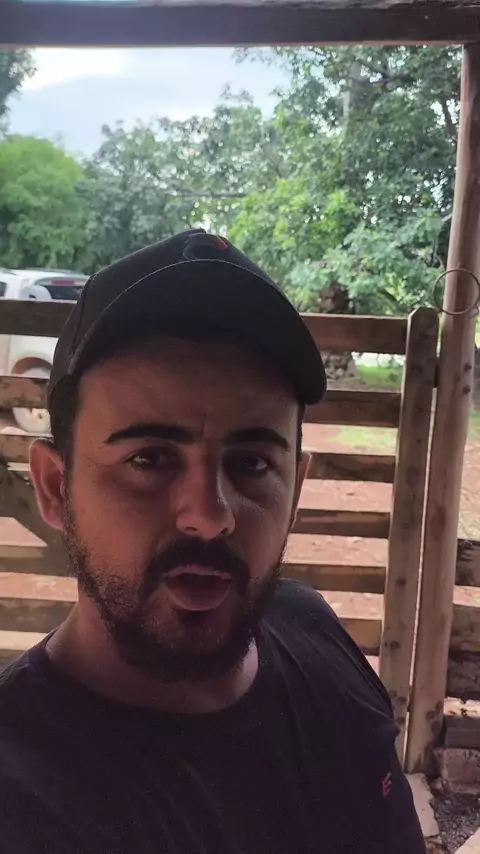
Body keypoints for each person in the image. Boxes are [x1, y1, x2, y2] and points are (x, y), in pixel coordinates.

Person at [0, 229, 425, 853]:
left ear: (295, 490)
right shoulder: (21, 792)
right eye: (149, 459)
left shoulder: (314, 630)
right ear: (54, 488)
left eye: (252, 463)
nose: (209, 515)